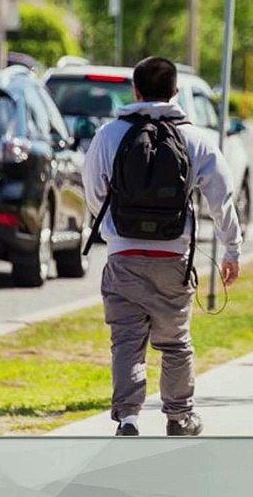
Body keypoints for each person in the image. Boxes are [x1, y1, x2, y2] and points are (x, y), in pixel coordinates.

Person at [83, 57, 242, 437]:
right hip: (173, 258)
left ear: (134, 91)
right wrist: (231, 250)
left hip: (123, 257)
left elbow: (93, 191)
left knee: (126, 342)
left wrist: (115, 232)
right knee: (174, 343)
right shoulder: (195, 138)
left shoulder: (110, 135)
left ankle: (128, 418)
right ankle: (179, 417)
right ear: (176, 92)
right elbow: (222, 198)